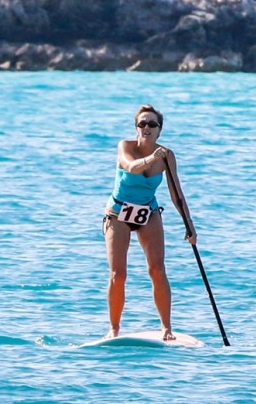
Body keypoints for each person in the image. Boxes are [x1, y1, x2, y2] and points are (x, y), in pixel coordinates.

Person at [102, 104, 197, 341]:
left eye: (152, 124)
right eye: (142, 123)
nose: (146, 127)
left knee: (157, 270)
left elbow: (177, 194)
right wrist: (152, 157)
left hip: (148, 212)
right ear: (136, 128)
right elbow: (131, 167)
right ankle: (114, 329)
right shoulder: (125, 147)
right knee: (118, 274)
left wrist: (189, 226)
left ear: (159, 130)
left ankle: (166, 328)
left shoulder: (167, 156)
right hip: (118, 213)